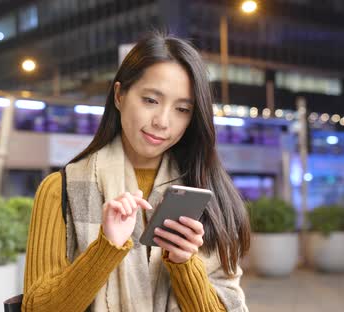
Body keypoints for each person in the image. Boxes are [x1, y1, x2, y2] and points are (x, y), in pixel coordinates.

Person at [22, 32, 250, 312]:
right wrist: (106, 249)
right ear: (119, 95)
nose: (162, 122)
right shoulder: (62, 189)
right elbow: (36, 308)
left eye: (182, 109)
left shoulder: (208, 195)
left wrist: (183, 263)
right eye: (151, 100)